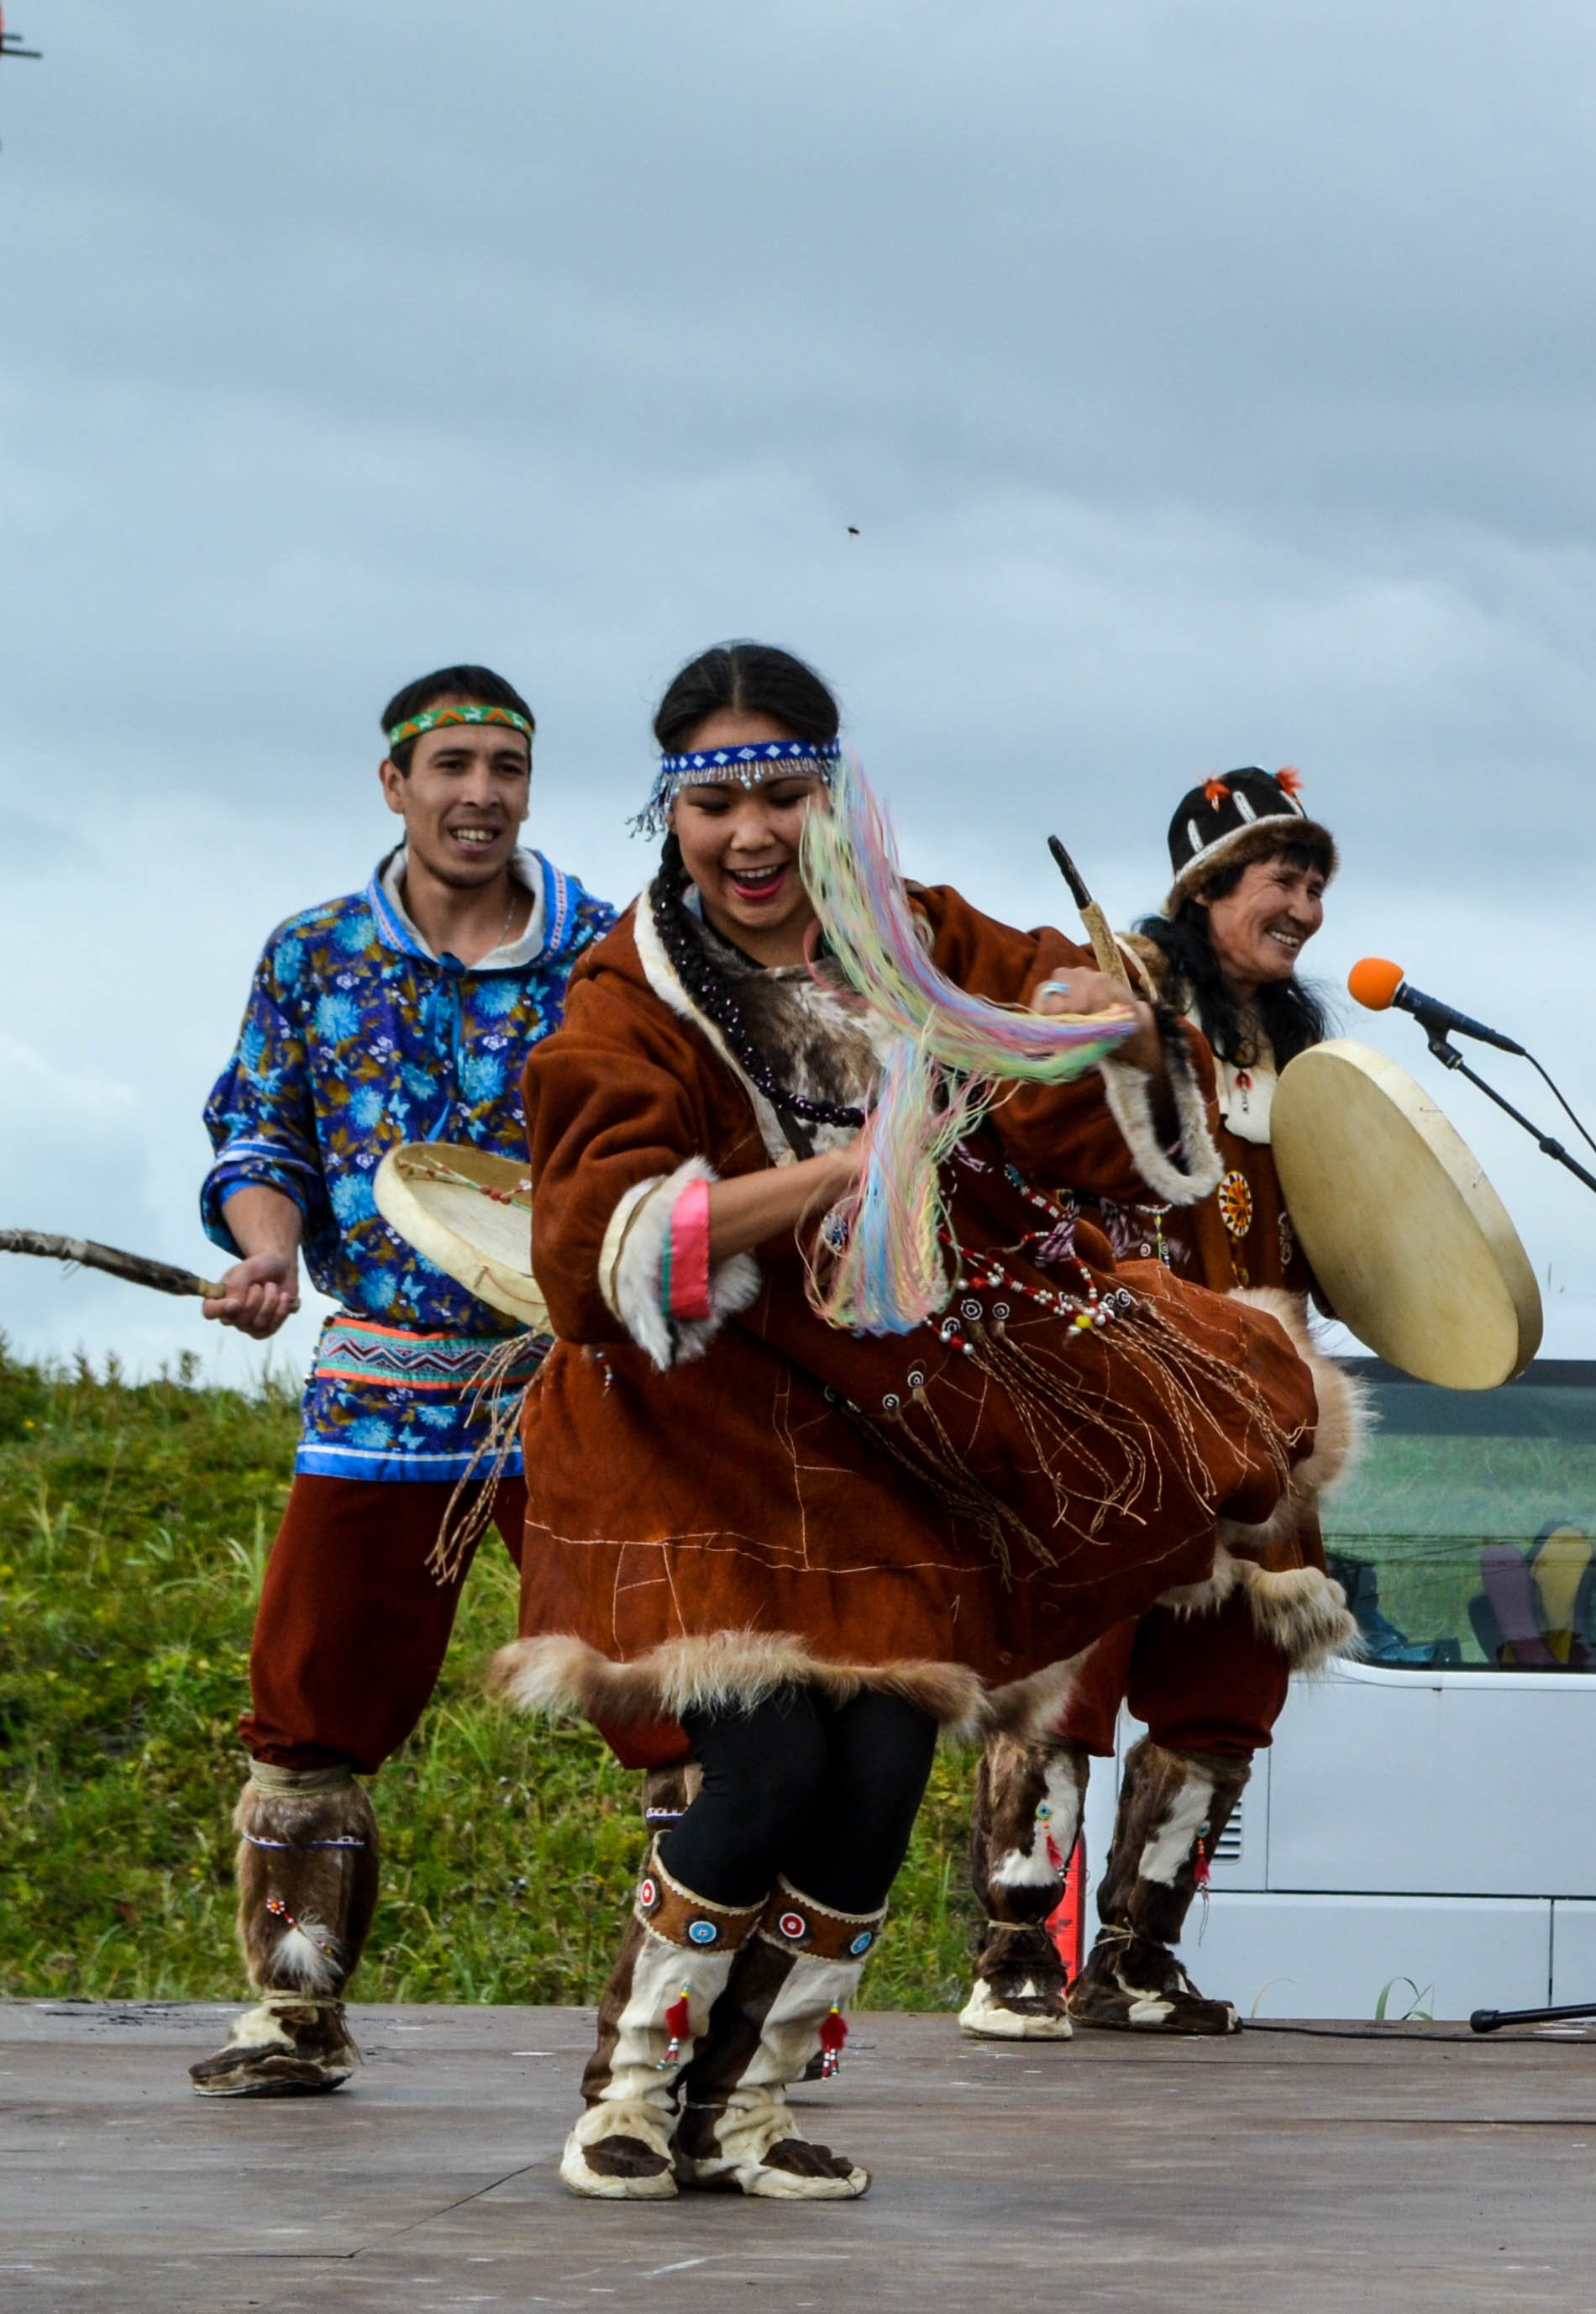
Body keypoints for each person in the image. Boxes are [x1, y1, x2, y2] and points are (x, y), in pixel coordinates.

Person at [501, 644, 1353, 2201]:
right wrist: (835, 1177)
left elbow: (1053, 1052)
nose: (754, 835)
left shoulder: (919, 936)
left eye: (785, 795)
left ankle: (747, 2108)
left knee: (883, 1758)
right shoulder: (628, 995)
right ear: (668, 814)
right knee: (761, 1769)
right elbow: (594, 1242)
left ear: (830, 799)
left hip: (885, 1414)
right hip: (691, 1415)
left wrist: (1102, 1014)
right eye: (719, 804)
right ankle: (634, 2087)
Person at [185, 666, 618, 2098]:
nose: (480, 792)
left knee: (671, 1683)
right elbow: (261, 1140)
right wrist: (265, 1254)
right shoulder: (313, 953)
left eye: (506, 766)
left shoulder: (608, 953)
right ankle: (295, 2012)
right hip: (383, 1379)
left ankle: (684, 2022)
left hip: (577, 1377)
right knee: (309, 1696)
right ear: (396, 783)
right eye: (452, 766)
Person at [959, 765, 1358, 2042]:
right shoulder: (1124, 987)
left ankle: (1135, 1953)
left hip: (1264, 1393)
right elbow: (1025, 1134)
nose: (1301, 903)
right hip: (1120, 1373)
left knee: (1229, 1688)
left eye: (1314, 882)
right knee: (1067, 1674)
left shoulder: (1304, 1047)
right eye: (1279, 877)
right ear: (1207, 888)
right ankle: (1015, 1952)